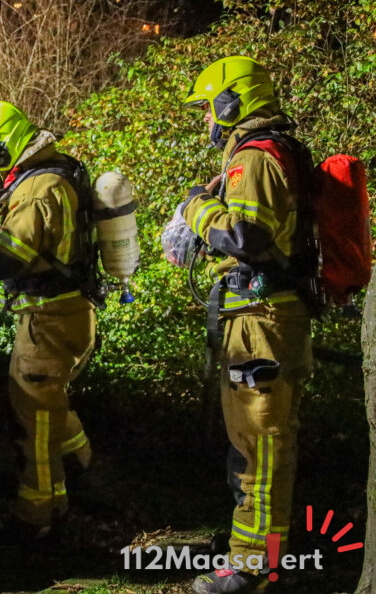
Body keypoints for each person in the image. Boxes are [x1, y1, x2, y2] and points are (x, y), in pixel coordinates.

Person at [177, 55, 313, 594]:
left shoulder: (252, 159)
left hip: (260, 321)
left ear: (232, 104)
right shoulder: (274, 151)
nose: (207, 119)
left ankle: (253, 566)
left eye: (209, 107)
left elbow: (248, 238)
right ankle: (261, 550)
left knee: (258, 443)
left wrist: (197, 210)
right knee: (264, 443)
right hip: (269, 317)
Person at [0, 101, 96, 540]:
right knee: (51, 405)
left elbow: (4, 261)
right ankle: (84, 474)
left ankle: (36, 518)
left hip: (48, 318)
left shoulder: (38, 189)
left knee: (32, 421)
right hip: (68, 312)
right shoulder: (54, 173)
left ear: (3, 148)